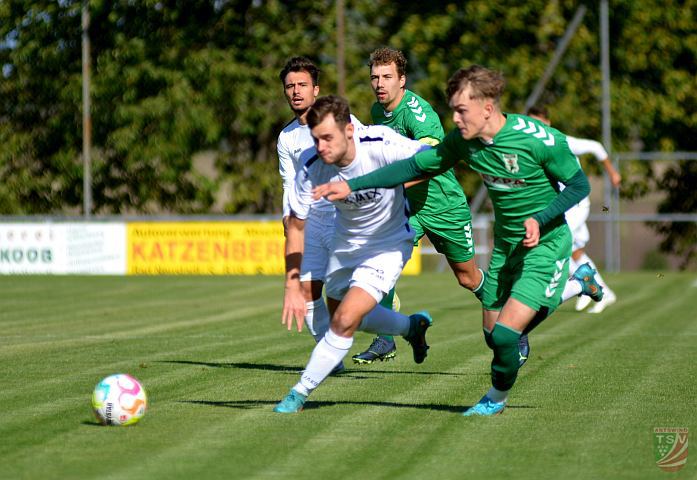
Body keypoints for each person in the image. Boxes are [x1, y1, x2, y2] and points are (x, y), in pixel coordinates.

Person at [313, 65, 604, 417]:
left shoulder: (538, 140)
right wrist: (353, 185)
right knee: (493, 335)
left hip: (544, 244)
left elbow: (579, 186)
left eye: (461, 110)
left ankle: (494, 400)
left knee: (505, 336)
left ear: (488, 106)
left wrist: (540, 220)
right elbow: (415, 166)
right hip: (505, 247)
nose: (454, 117)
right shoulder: (464, 141)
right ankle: (576, 284)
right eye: (453, 108)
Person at [274, 95, 433, 414]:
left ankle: (299, 392)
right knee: (342, 315)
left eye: (328, 138)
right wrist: (292, 285)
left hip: (387, 244)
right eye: (316, 139)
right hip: (345, 245)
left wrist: (394, 181)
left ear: (350, 130)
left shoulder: (380, 142)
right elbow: (295, 226)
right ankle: (411, 327)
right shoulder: (312, 165)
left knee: (346, 319)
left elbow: (430, 159)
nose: (321, 147)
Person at [352, 47, 486, 365]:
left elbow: (430, 163)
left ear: (402, 80)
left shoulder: (417, 111)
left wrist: (389, 184)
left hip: (442, 204)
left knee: (467, 277)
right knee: (379, 260)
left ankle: (510, 316)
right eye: (374, 77)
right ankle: (386, 338)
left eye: (387, 77)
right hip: (408, 207)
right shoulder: (376, 111)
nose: (379, 83)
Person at [528, 105, 620, 313]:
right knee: (576, 252)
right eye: (530, 123)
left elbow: (596, 147)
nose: (534, 127)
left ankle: (579, 286)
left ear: (548, 123)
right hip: (561, 207)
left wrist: (613, 173)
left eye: (538, 123)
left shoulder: (563, 141)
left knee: (557, 244)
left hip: (575, 205)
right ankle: (603, 292)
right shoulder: (530, 145)